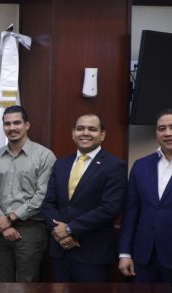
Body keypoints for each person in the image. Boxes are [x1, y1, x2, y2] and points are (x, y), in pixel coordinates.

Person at [119, 108, 172, 283]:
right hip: (143, 258)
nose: (168, 133)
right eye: (162, 129)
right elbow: (131, 213)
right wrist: (125, 253)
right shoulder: (141, 165)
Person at [42, 114, 127, 282]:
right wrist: (61, 234)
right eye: (80, 129)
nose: (85, 133)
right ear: (73, 133)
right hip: (61, 250)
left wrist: (70, 229)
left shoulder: (114, 165)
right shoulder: (61, 164)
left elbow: (110, 208)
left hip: (93, 254)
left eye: (92, 129)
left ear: (102, 135)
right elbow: (48, 203)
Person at [0, 106, 55, 282]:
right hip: (0, 231)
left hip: (30, 230)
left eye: (17, 122)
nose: (12, 128)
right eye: (7, 124)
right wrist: (3, 223)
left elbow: (42, 195)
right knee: (0, 286)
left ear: (27, 125)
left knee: (27, 286)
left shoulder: (44, 156)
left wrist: (11, 218)